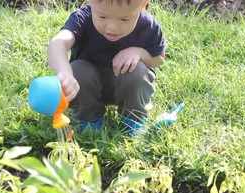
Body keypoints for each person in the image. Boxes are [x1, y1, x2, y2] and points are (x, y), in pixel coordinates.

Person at [47, 0, 166, 135]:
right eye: (102, 17)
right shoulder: (82, 18)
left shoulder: (148, 26)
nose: (112, 27)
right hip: (87, 88)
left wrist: (139, 53)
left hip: (128, 87)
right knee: (78, 70)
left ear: (142, 6)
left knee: (137, 71)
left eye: (125, 19)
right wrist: (64, 71)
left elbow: (159, 59)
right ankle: (89, 120)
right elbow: (58, 44)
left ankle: (133, 120)